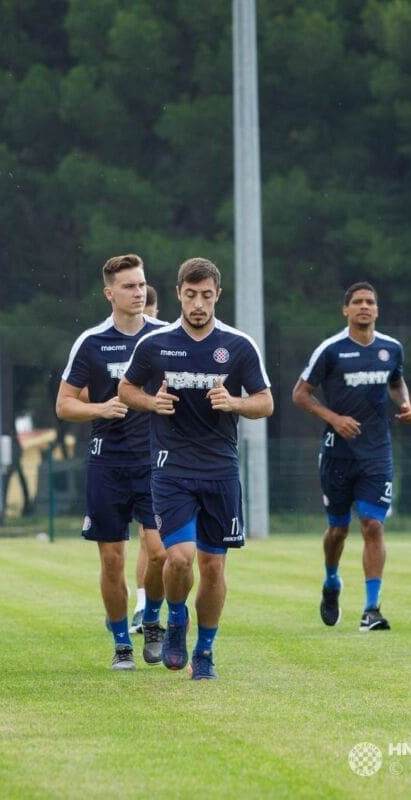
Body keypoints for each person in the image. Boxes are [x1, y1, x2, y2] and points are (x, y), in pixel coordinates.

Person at [118, 257, 273, 679]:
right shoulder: (155, 345)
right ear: (179, 295)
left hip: (220, 470)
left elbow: (265, 401)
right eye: (191, 295)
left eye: (206, 296)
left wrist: (235, 402)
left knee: (214, 566)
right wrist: (152, 402)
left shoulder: (238, 346)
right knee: (179, 558)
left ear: (218, 295)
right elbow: (126, 388)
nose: (199, 304)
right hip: (171, 467)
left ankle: (205, 652)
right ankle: (176, 618)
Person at [56, 254, 167, 670]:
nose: (138, 293)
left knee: (159, 553)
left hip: (156, 461)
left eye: (141, 285)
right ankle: (121, 643)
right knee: (111, 559)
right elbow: (64, 405)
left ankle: (152, 618)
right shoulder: (91, 342)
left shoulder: (164, 336)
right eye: (129, 287)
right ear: (110, 294)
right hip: (108, 463)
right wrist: (100, 409)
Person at [292, 282, 411, 631]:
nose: (364, 307)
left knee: (372, 524)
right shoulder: (331, 350)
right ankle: (331, 580)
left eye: (370, 302)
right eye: (357, 302)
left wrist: (404, 404)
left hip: (377, 453)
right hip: (337, 454)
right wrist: (334, 419)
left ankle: (371, 608)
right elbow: (300, 395)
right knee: (338, 530)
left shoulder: (391, 348)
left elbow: (395, 382)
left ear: (377, 310)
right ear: (345, 310)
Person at [132, 283, 161, 630]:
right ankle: (143, 607)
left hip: (161, 453)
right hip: (125, 456)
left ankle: (153, 609)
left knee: (162, 548)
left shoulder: (165, 345)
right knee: (149, 541)